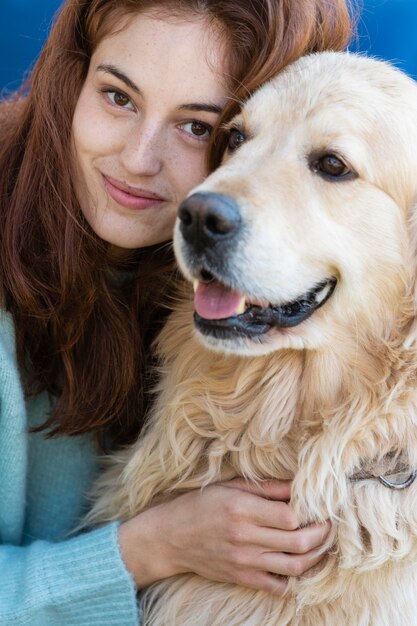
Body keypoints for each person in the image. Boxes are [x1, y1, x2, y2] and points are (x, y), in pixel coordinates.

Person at [0, 1, 353, 624]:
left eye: (198, 128)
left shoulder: (226, 286)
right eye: (117, 96)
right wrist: (152, 547)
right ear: (72, 79)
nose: (138, 158)